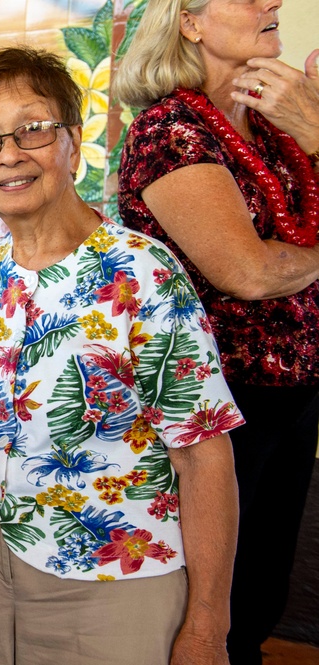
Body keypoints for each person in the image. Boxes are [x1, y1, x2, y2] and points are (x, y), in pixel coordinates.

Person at [0, 47, 243, 664]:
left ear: (71, 142)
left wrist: (207, 627)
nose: (9, 154)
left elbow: (204, 456)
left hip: (113, 580)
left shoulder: (142, 273)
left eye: (32, 129)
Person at [114, 2, 319, 662]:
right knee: (205, 614)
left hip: (292, 398)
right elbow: (248, 271)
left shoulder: (277, 130)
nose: (272, 2)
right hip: (211, 411)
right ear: (190, 21)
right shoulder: (168, 129)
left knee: (259, 597)